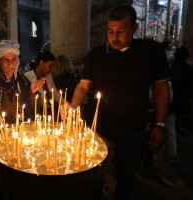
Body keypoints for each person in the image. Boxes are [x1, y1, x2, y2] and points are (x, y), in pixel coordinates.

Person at [64, 6, 170, 200]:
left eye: (121, 31)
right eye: (110, 31)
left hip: (134, 128)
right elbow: (83, 86)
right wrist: (73, 105)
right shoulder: (96, 55)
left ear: (135, 27)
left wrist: (160, 124)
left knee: (126, 175)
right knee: (95, 172)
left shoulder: (151, 52)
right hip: (100, 126)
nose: (115, 37)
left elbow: (161, 88)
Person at [0, 40, 45, 140]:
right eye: (6, 60)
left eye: (14, 59)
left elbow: (29, 105)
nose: (11, 63)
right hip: (3, 134)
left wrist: (31, 92)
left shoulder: (22, 79)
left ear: (18, 59)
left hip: (22, 131)